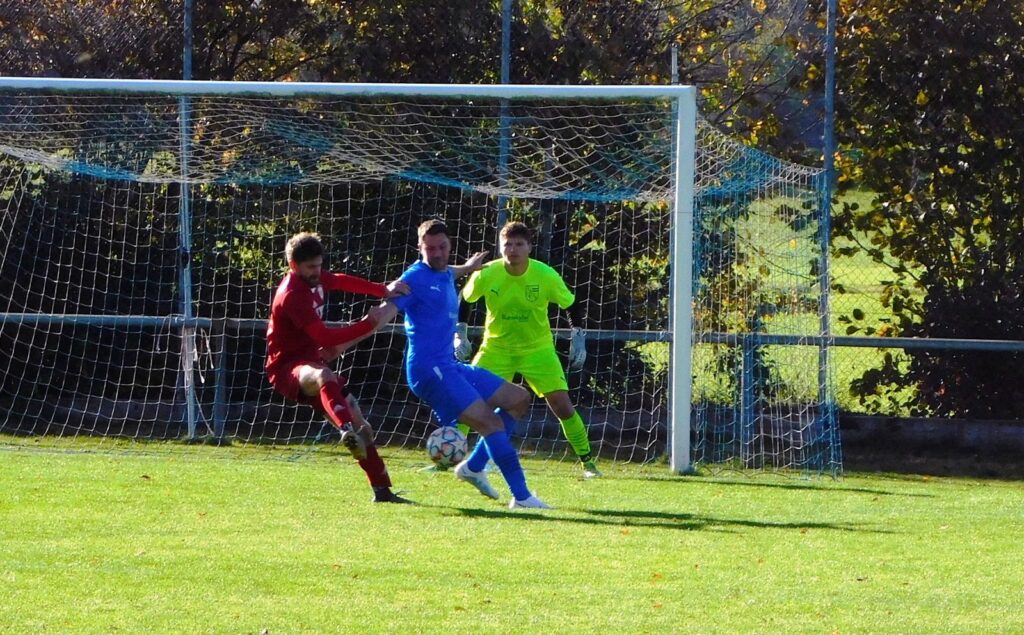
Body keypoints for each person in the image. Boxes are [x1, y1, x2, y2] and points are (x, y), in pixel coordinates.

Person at [376, 219, 551, 509]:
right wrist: (346, 339)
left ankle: (473, 467)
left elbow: (449, 271)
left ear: (449, 246)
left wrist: (468, 268)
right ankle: (522, 497)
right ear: (420, 248)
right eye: (430, 248)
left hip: (450, 365)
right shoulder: (414, 278)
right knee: (490, 423)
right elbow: (384, 314)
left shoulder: (444, 271)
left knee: (519, 399)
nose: (437, 253)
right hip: (428, 371)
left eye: (442, 247)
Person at [265, 232, 413, 504]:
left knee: (364, 429)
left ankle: (382, 491)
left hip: (312, 361)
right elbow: (326, 337)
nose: (317, 271)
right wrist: (368, 324)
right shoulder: (292, 295)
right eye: (310, 267)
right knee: (324, 376)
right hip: (287, 368)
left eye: (319, 265)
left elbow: (342, 281)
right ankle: (345, 429)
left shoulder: (316, 277)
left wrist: (382, 290)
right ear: (293, 265)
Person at [455, 221, 600, 478]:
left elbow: (571, 304)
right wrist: (460, 334)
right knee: (468, 398)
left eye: (519, 244)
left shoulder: (545, 275)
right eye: (507, 244)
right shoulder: (487, 273)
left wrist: (578, 337)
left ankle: (588, 463)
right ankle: (448, 457)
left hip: (537, 350)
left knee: (562, 406)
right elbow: (465, 300)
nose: (513, 249)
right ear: (500, 247)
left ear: (529, 248)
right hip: (496, 348)